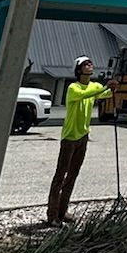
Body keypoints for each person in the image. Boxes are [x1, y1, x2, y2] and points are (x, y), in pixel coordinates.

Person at [47, 56, 113, 224]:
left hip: (83, 137)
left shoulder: (95, 86)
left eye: (90, 63)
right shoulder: (73, 88)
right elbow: (87, 94)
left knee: (73, 175)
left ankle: (63, 211)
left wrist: (114, 87)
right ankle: (52, 214)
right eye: (85, 64)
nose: (90, 66)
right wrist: (105, 87)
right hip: (69, 137)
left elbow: (106, 93)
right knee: (60, 177)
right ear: (78, 70)